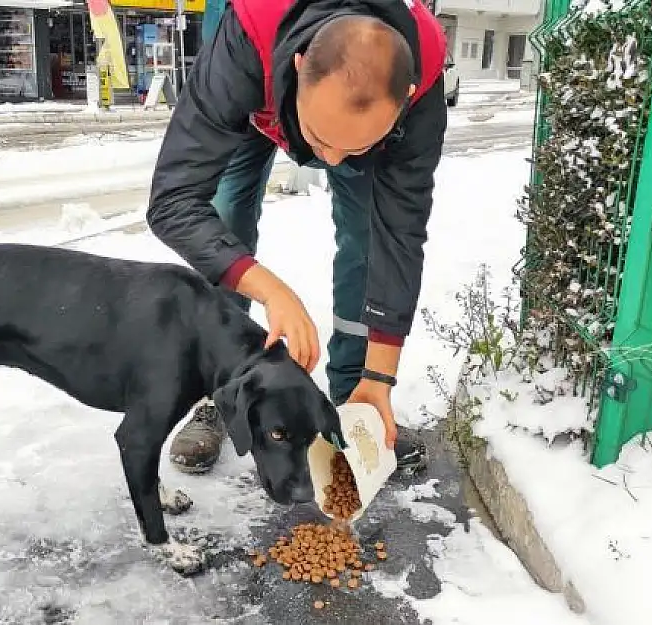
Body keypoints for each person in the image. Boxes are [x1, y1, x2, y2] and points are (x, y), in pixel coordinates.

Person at [146, 0, 448, 475]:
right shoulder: (247, 35)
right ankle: (219, 395)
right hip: (259, 94)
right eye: (320, 139)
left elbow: (400, 234)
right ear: (301, 64)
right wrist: (270, 289)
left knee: (367, 233)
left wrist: (379, 378)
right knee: (226, 214)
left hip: (324, 97)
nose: (329, 162)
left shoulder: (423, 68)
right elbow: (175, 200)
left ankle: (356, 400)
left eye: (354, 147)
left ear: (406, 98)